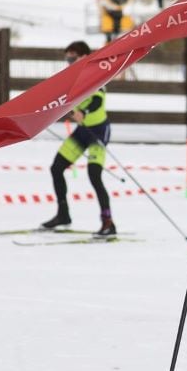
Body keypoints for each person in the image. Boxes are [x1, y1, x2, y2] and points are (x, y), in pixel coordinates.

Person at [40, 41, 117, 236]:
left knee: (94, 174)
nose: (69, 62)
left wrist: (83, 111)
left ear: (84, 57)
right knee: (56, 168)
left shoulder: (95, 73)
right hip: (82, 132)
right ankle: (63, 214)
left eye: (72, 58)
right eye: (67, 58)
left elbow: (98, 98)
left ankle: (108, 222)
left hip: (99, 131)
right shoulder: (71, 78)